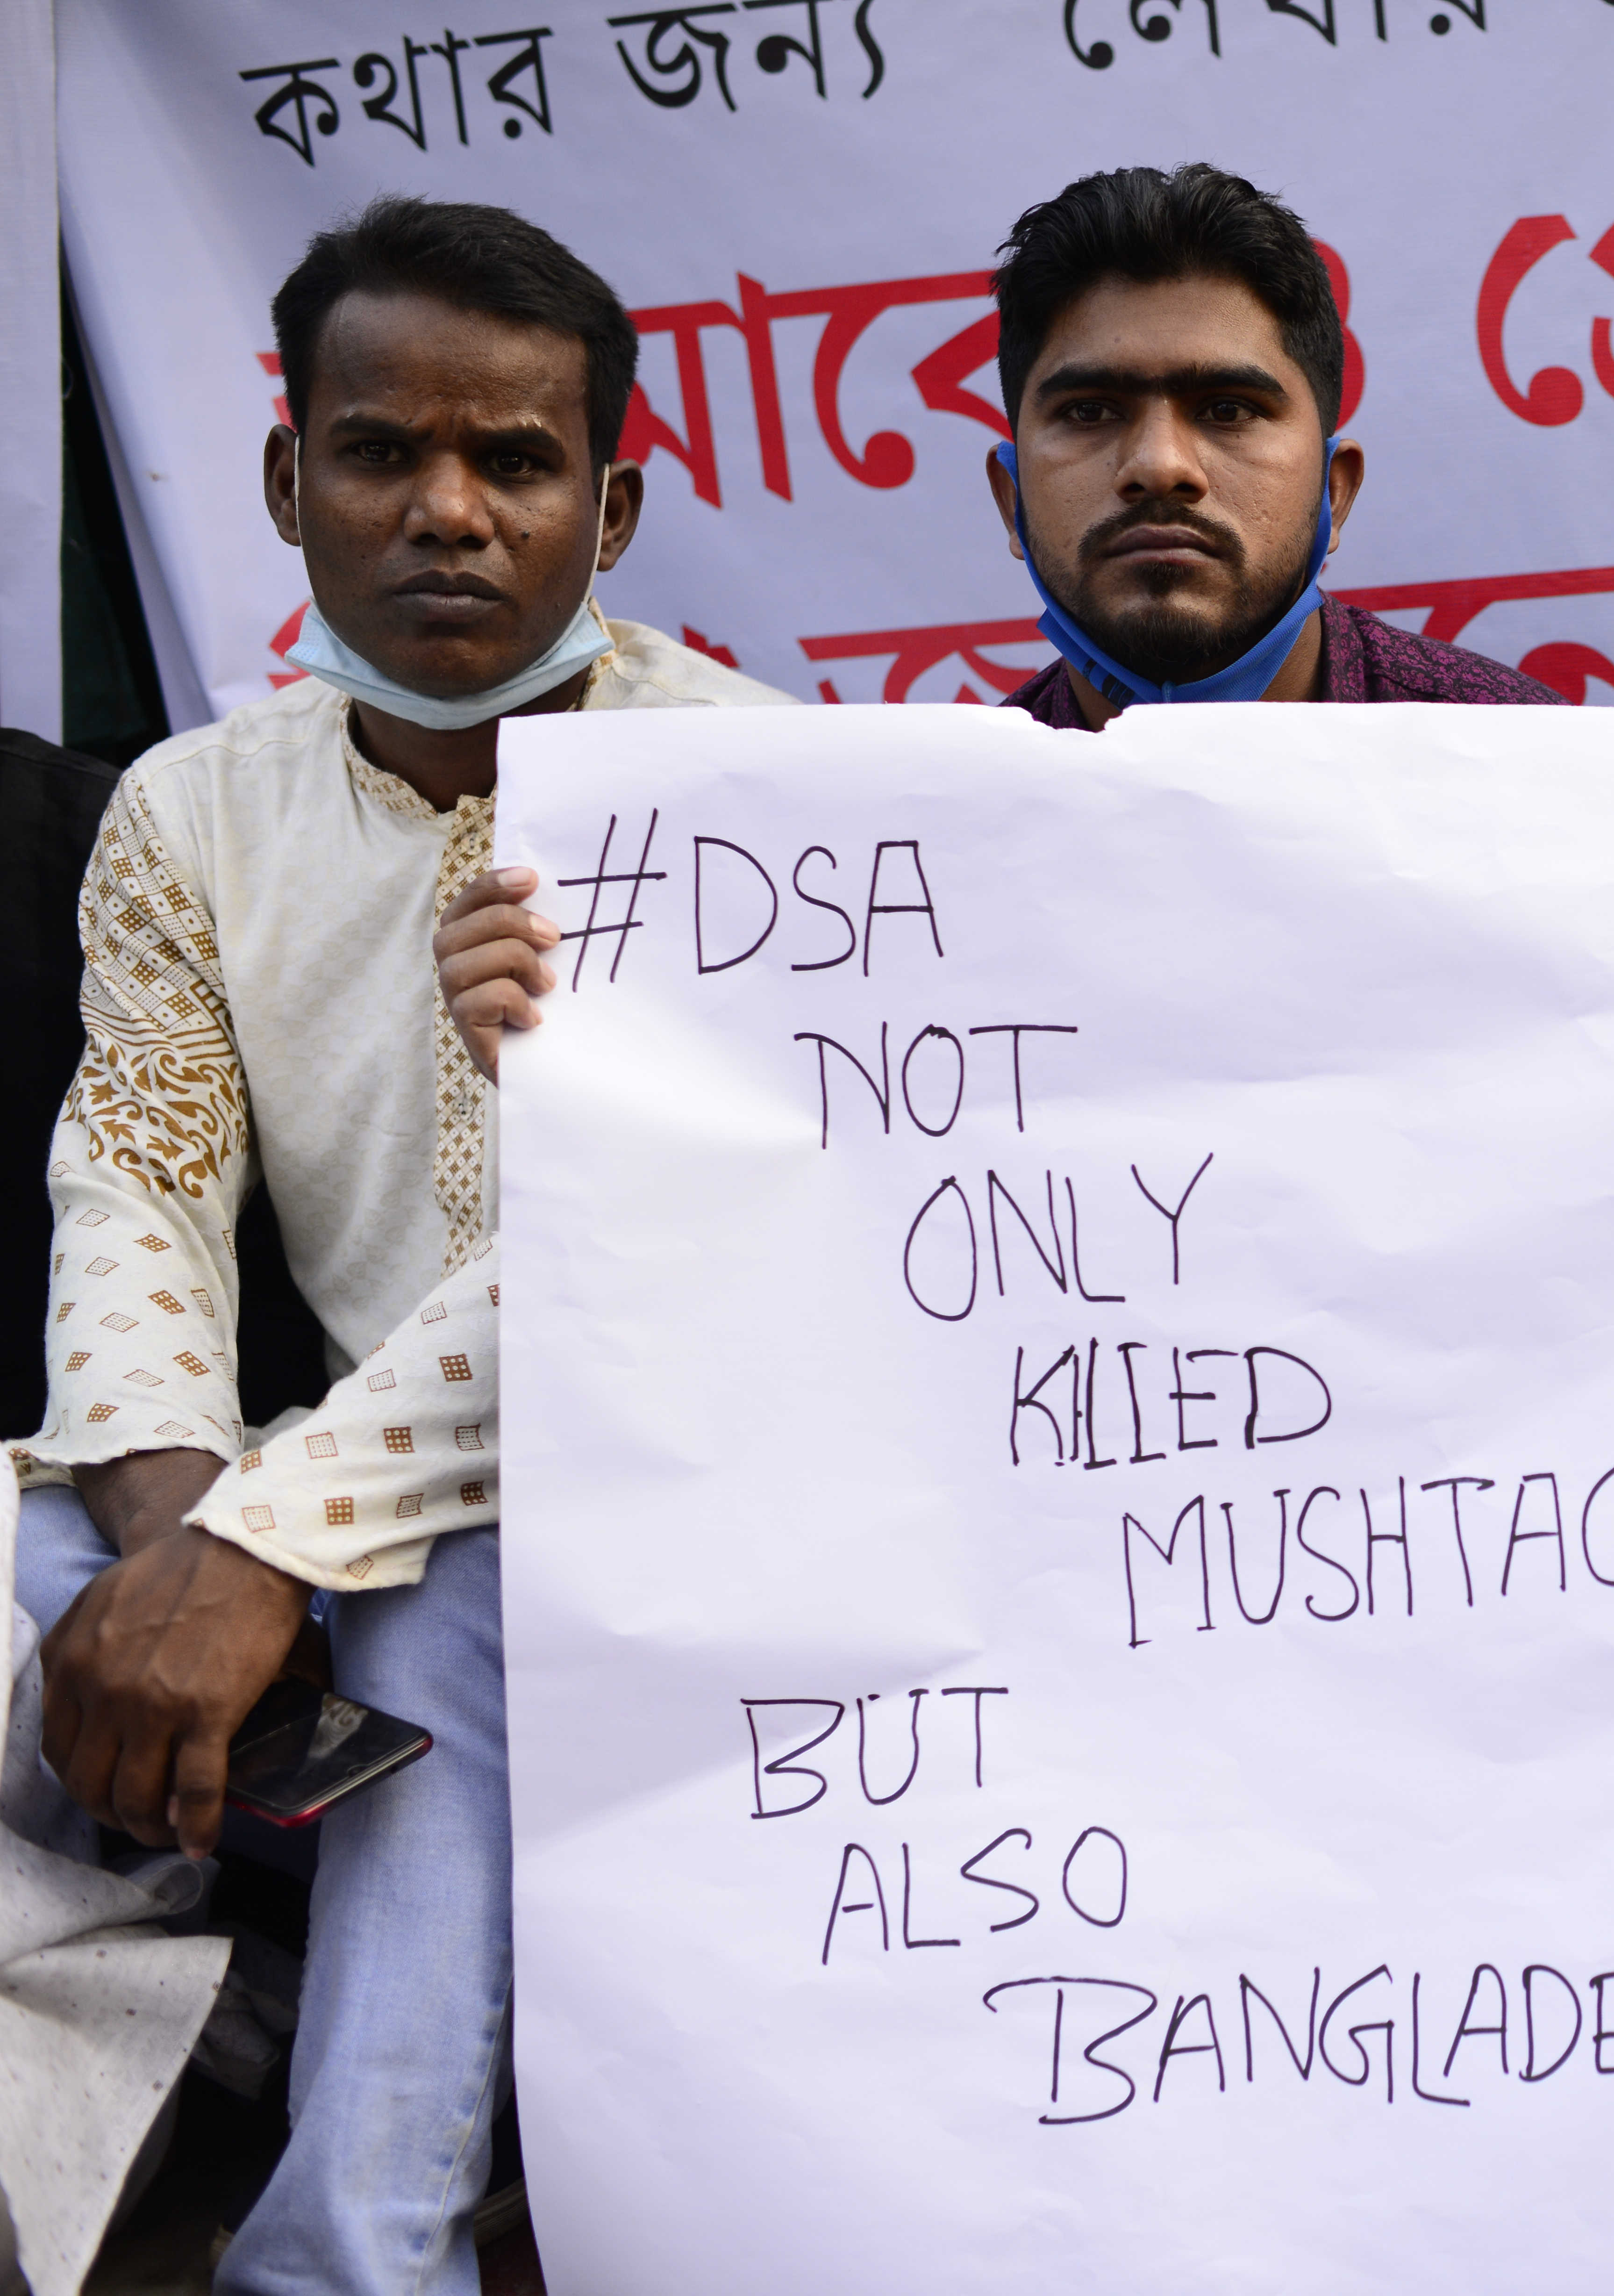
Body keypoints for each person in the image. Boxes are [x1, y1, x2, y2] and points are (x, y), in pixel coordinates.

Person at [14, 195, 785, 2295]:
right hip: (302, 1493)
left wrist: (268, 1546)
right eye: (380, 452)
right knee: (20, 1573)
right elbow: (140, 1199)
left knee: (447, 1621)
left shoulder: (759, 795)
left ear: (609, 511)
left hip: (651, 1501)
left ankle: (352, 2250)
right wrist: (185, 1540)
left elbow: (630, 1263)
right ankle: (164, 2027)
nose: (447, 511)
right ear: (288, 483)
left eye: (516, 462)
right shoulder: (188, 812)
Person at [443, 163, 1614, 1205]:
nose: (1161, 463)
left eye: (1231, 408)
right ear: (1010, 501)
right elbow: (802, 1238)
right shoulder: (897, 869)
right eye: (1090, 411)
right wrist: (594, 1076)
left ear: (1338, 488)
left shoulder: (1562, 792)